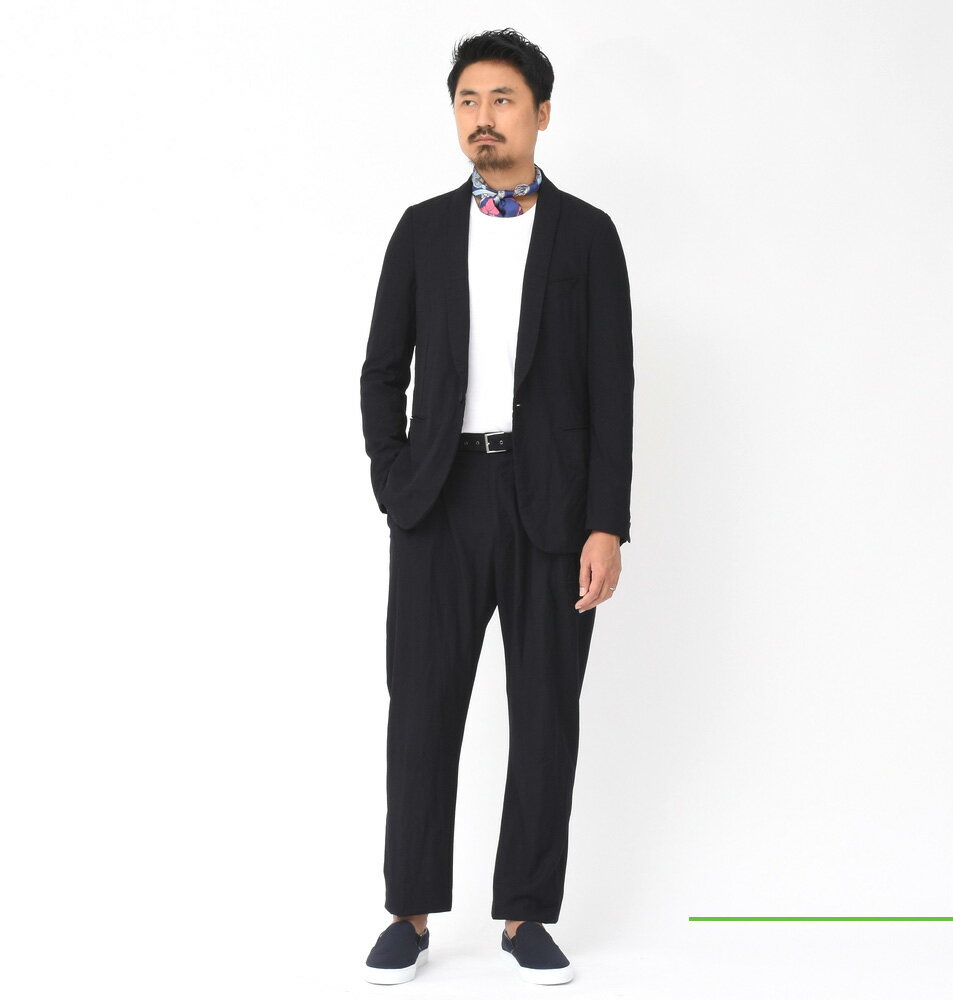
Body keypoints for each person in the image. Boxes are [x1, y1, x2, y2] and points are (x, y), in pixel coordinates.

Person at [359, 27, 634, 986]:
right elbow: (381, 370)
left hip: (552, 509)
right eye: (469, 101)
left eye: (503, 99)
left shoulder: (588, 235)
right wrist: (395, 480)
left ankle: (525, 915)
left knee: (545, 714)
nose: (484, 117)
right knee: (421, 712)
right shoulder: (422, 230)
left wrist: (607, 522)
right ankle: (409, 912)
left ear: (541, 113)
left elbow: (612, 389)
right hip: (437, 501)